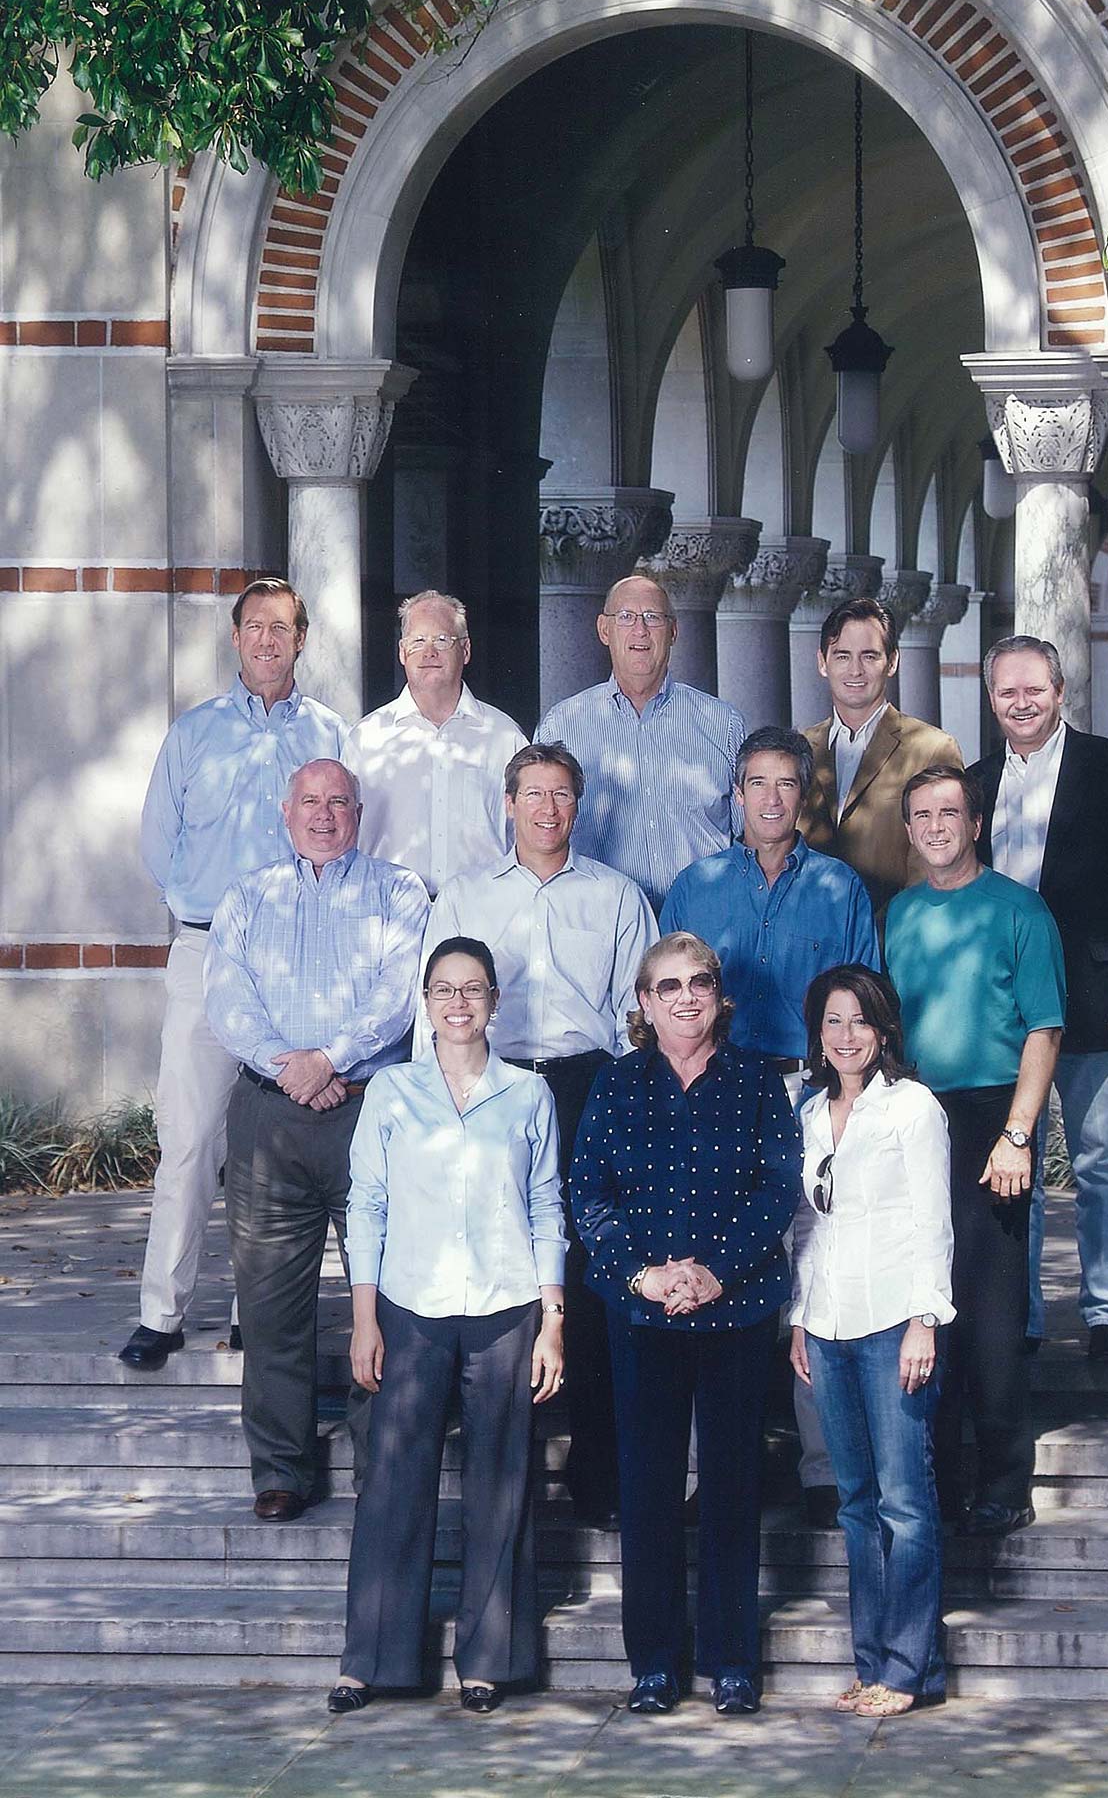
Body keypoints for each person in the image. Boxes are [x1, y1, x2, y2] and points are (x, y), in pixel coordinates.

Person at [418, 742, 656, 1528]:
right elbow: (437, 1015)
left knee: (592, 1274)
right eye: (533, 794)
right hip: (494, 1086)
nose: (547, 809)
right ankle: (501, 1488)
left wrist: (630, 1109)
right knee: (500, 1271)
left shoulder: (617, 897)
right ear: (508, 803)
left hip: (589, 1087)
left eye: (561, 795)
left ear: (577, 807)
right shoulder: (463, 897)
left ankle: (601, 1478)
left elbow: (637, 1017)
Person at [329, 937, 566, 1717]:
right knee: (393, 1480)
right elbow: (365, 1206)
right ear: (424, 1004)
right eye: (443, 990)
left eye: (473, 989)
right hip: (409, 1304)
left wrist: (552, 1320)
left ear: (496, 1001)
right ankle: (374, 1658)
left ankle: (490, 1659)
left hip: (504, 1307)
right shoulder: (392, 1092)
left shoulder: (527, 1094)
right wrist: (364, 1318)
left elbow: (544, 1206)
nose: (458, 1003)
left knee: (501, 1480)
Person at [571, 934, 801, 1717]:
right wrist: (644, 1275)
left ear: (718, 993)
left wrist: (714, 1272)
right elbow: (589, 1195)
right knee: (648, 1489)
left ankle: (732, 1659)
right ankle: (656, 1664)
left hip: (735, 1308)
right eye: (666, 986)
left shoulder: (758, 1082)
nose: (685, 997)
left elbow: (777, 1189)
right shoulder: (614, 1084)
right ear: (643, 1002)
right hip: (640, 1311)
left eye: (698, 982)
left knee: (734, 1484)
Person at [123, 577, 347, 1372]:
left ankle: (265, 1311)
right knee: (189, 1137)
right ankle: (162, 1312)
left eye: (281, 628)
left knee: (276, 1145)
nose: (266, 640)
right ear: (235, 637)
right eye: (253, 626)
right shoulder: (192, 734)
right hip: (208, 949)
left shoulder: (327, 733)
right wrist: (201, 912)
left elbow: (344, 833)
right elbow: (158, 844)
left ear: (300, 639)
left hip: (295, 959)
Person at [660, 723, 879, 1525]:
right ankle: (706, 1472)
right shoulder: (695, 886)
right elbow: (665, 999)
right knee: (710, 1263)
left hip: (807, 1089)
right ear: (736, 795)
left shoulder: (840, 889)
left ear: (805, 795)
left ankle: (824, 1469)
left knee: (816, 1265)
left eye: (787, 783)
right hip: (716, 1093)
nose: (771, 798)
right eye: (757, 783)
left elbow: (863, 1000)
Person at [204, 759, 429, 1520]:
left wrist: (328, 1058)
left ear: (359, 813)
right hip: (269, 1116)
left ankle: (383, 1461)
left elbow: (399, 995)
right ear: (284, 810)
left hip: (370, 1110)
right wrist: (293, 1068)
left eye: (339, 802)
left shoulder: (397, 893)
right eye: (310, 801)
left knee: (388, 1295)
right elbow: (229, 1000)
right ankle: (281, 1469)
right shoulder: (247, 897)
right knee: (270, 1305)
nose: (324, 815)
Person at [972, 635, 1108, 1362]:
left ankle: (1107, 1311)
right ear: (991, 700)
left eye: (1033, 689)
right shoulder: (973, 781)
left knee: (1099, 1159)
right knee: (1009, 1158)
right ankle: (1020, 1315)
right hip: (1001, 1005)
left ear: (1059, 692)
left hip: (1093, 993)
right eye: (1006, 692)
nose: (1020, 703)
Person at [885, 766, 1065, 1538]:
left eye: (948, 812)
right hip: (917, 1116)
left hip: (995, 1116)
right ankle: (935, 1476)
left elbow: (1043, 1029)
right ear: (907, 828)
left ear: (976, 820)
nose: (934, 826)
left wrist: (1017, 1134)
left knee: (990, 1307)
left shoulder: (1019, 911)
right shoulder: (897, 911)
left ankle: (1002, 1480)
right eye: (920, 814)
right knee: (924, 1297)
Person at [789, 964, 954, 1716]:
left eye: (858, 1021)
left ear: (883, 1029)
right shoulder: (807, 1112)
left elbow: (931, 1220)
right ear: (817, 1034)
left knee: (905, 1504)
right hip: (826, 1325)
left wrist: (925, 1318)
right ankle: (871, 1661)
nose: (845, 1036)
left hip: (893, 1322)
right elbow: (804, 1226)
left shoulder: (912, 1108)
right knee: (854, 1504)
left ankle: (908, 1668)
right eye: (831, 1021)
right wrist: (798, 1318)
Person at [534, 569, 745, 910]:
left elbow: (747, 838)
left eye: (653, 618)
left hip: (704, 918)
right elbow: (541, 835)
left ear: (674, 631)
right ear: (604, 630)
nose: (640, 630)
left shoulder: (723, 724)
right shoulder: (562, 726)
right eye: (627, 617)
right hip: (601, 919)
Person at [343, 589, 527, 898]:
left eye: (442, 640)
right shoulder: (366, 738)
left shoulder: (505, 738)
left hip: (482, 913)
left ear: (465, 650)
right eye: (418, 641)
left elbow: (523, 837)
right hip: (386, 913)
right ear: (402, 652)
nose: (429, 652)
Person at [798, 597, 963, 925]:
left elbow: (934, 868)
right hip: (810, 947)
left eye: (869, 656)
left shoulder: (931, 749)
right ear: (822, 662)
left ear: (892, 662)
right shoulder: (800, 748)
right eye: (842, 656)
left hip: (894, 944)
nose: (855, 670)